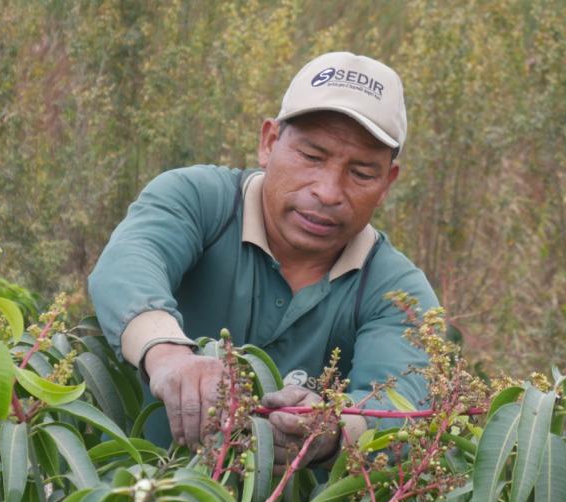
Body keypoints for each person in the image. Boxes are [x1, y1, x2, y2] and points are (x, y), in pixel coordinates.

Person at [88, 51, 438, 471]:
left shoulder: (396, 293)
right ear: (269, 142)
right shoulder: (198, 201)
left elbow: (401, 407)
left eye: (361, 173)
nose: (328, 191)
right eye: (312, 156)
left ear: (387, 183)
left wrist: (332, 432)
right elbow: (129, 261)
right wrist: (167, 355)